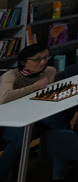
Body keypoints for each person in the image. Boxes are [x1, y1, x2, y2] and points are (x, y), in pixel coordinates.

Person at [0, 44, 68, 181]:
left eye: (46, 58)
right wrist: (33, 87)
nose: (43, 62)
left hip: (34, 115)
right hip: (9, 120)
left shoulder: (49, 71)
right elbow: (4, 98)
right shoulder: (12, 75)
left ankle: (59, 172)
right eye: (37, 59)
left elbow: (43, 95)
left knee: (57, 119)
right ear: (23, 61)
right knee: (21, 136)